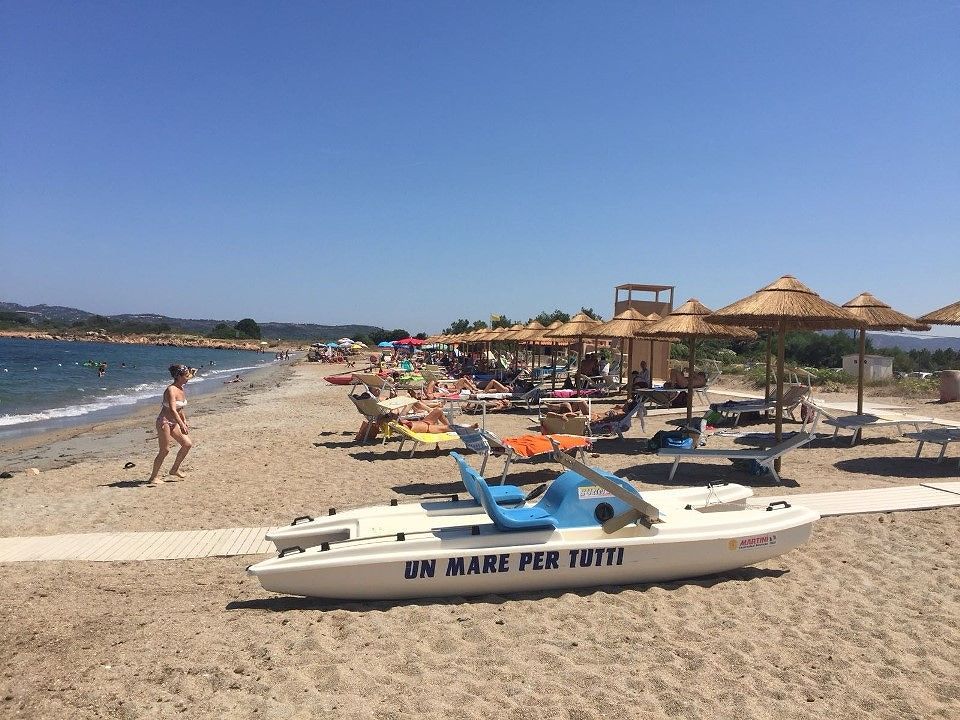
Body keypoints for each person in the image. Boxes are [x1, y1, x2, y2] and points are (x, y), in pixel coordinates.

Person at [148, 364, 194, 483]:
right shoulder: (171, 390)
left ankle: (174, 470)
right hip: (164, 421)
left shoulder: (181, 388)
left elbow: (180, 409)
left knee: (187, 444)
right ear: (178, 376)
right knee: (165, 450)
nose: (188, 378)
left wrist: (184, 421)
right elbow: (173, 409)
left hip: (174, 422)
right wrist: (181, 424)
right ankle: (153, 477)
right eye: (186, 376)